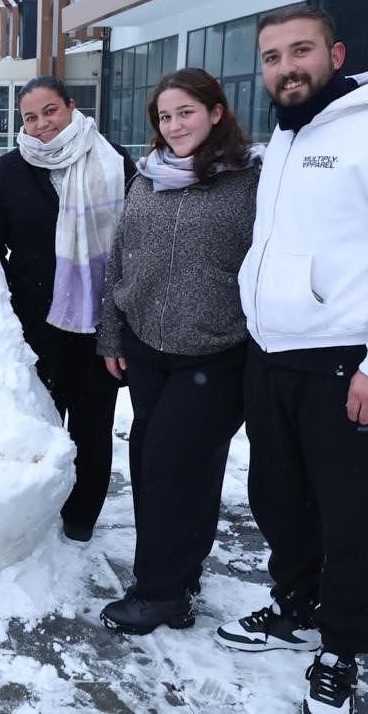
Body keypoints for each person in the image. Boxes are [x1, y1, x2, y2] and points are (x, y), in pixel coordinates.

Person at [215, 4, 368, 714]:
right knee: (279, 499)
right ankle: (294, 609)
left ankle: (343, 645)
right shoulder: (289, 137)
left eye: (300, 51)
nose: (286, 67)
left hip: (346, 366)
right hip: (272, 356)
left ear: (336, 53)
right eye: (271, 56)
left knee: (349, 515)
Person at [94, 68, 261, 635]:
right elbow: (122, 256)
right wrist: (112, 333)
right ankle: (181, 572)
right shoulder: (148, 178)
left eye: (185, 112)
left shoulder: (250, 180)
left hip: (216, 352)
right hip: (147, 348)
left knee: (171, 464)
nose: (173, 125)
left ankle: (161, 592)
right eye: (164, 117)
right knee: (156, 459)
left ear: (216, 112)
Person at [0, 76, 134, 543]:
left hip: (97, 324)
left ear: (71, 106)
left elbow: (133, 245)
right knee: (36, 423)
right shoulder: (9, 171)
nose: (42, 124)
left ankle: (80, 517)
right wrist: (9, 306)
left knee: (91, 424)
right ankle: (35, 510)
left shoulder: (112, 162)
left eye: (50, 111)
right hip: (32, 325)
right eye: (30, 117)